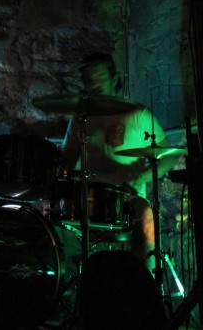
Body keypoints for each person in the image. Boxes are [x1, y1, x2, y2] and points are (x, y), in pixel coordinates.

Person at [58, 52, 177, 263]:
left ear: (114, 80)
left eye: (100, 77)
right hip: (86, 198)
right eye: (89, 79)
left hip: (127, 199)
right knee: (54, 217)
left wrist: (141, 178)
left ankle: (146, 275)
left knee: (147, 216)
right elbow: (66, 159)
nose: (95, 83)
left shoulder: (138, 114)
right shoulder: (80, 117)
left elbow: (168, 157)